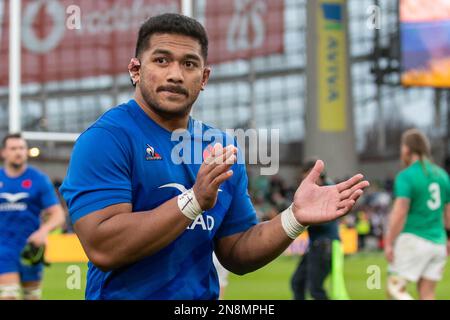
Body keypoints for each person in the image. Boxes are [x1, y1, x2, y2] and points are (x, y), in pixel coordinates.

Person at [60, 13, 369, 300]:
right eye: (161, 60)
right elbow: (103, 246)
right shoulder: (106, 139)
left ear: (204, 77)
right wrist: (193, 201)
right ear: (136, 70)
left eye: (189, 64)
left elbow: (236, 250)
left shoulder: (219, 146)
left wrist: (294, 217)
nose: (175, 75)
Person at [385, 129, 450, 300]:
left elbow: (400, 212)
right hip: (439, 243)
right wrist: (448, 238)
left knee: (394, 290)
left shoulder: (406, 176)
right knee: (427, 293)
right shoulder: (442, 175)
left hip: (414, 239)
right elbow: (448, 212)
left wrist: (389, 242)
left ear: (407, 149)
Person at [0, 134, 65, 300]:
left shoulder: (39, 179)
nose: (18, 152)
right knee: (9, 295)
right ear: (3, 153)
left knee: (32, 296)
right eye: (13, 148)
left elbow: (58, 214)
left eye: (21, 148)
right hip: (4, 248)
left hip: (31, 247)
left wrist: (43, 232)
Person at [290, 160, 340, 300]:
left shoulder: (326, 190)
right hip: (317, 244)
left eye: (308, 176)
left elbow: (323, 221)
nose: (306, 181)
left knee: (315, 289)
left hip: (324, 244)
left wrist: (299, 218)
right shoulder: (324, 188)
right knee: (297, 282)